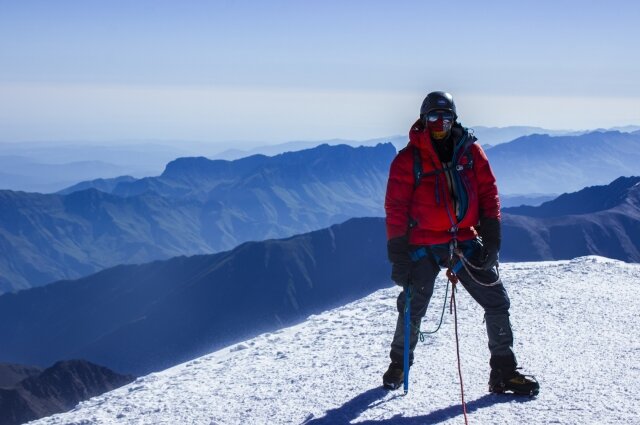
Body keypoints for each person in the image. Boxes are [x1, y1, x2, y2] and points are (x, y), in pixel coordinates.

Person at [382, 91, 539, 396]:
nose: (439, 124)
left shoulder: (471, 152)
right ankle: (399, 365)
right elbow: (395, 209)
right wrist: (398, 256)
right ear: (423, 120)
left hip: (463, 239)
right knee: (412, 306)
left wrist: (492, 238)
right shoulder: (407, 160)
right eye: (433, 118)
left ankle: (504, 372)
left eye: (445, 118)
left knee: (497, 300)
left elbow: (488, 195)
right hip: (423, 243)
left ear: (454, 119)